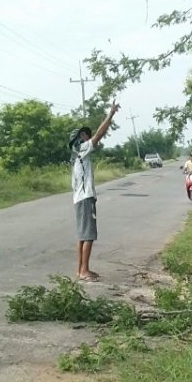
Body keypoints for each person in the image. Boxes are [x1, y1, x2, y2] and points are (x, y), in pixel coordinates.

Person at [69, 103, 120, 282]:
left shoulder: (76, 156)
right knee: (88, 235)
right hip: (85, 198)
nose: (87, 135)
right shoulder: (82, 149)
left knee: (83, 236)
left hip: (79, 199)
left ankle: (81, 269)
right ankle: (84, 271)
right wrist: (111, 114)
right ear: (79, 139)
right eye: (84, 134)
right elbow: (99, 134)